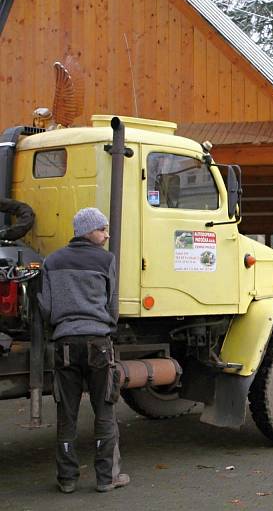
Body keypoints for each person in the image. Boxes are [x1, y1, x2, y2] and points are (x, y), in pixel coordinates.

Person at [38, 208, 130, 494]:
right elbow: (112, 304)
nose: (107, 234)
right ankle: (106, 478)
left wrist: (60, 327)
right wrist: (104, 324)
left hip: (65, 344)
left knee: (67, 413)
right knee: (104, 411)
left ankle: (67, 479)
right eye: (102, 229)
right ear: (87, 231)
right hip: (98, 344)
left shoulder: (51, 261)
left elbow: (45, 305)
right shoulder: (106, 260)